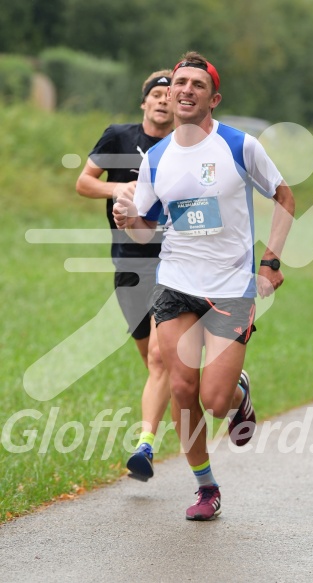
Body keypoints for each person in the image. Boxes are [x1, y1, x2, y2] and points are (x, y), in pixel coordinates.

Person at [113, 51, 295, 520]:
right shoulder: (156, 157)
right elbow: (147, 229)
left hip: (232, 284)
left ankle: (238, 394)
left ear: (213, 98)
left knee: (215, 401)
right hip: (175, 283)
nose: (186, 89)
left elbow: (284, 195)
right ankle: (205, 487)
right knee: (181, 387)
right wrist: (128, 217)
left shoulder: (239, 146)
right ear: (169, 94)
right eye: (180, 83)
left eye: (197, 84)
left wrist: (271, 260)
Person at [76, 70, 174, 481]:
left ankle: (145, 446)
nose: (164, 100)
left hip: (172, 261)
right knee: (153, 359)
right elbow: (83, 182)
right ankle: (227, 384)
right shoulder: (118, 136)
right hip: (128, 264)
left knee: (159, 357)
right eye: (156, 93)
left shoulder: (183, 148)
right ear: (144, 102)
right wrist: (116, 190)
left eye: (170, 95)